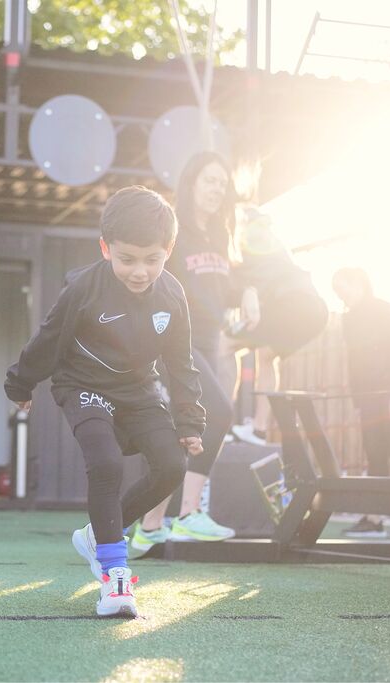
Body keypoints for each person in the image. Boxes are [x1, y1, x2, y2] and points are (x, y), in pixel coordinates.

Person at [5, 185, 205, 618]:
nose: (139, 271)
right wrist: (20, 384)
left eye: (152, 259)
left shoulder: (171, 295)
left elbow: (180, 362)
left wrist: (189, 421)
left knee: (172, 464)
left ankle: (100, 533)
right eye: (127, 259)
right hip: (82, 383)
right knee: (107, 462)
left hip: (138, 388)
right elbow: (49, 337)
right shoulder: (83, 288)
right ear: (105, 248)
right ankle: (115, 576)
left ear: (168, 250)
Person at [131, 151, 252, 553]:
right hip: (172, 343)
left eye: (222, 182)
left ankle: (150, 525)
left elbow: (223, 290)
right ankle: (187, 517)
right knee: (216, 412)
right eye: (210, 180)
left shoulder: (220, 235)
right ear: (192, 184)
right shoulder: (172, 230)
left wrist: (247, 291)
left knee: (183, 432)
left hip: (207, 344)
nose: (217, 189)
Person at [332, 267, 390, 541]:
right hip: (370, 399)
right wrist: (359, 400)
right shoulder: (349, 319)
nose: (340, 294)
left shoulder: (383, 309)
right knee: (374, 456)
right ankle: (374, 519)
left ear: (359, 283)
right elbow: (356, 361)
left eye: (343, 287)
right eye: (336, 290)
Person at [226, 206, 329, 445]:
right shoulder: (272, 239)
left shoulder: (250, 235)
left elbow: (240, 277)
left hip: (293, 305)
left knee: (225, 344)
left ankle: (219, 421)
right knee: (265, 356)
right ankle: (259, 430)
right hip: (314, 310)